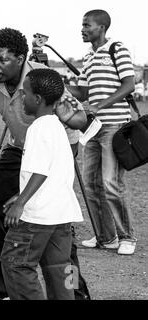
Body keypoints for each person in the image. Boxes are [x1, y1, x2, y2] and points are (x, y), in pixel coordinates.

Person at [0, 28, 90, 300]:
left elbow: (80, 120)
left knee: (55, 225)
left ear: (21, 58)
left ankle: (76, 293)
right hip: (19, 147)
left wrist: (64, 112)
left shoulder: (41, 79)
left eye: (2, 59)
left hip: (54, 148)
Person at [0, 69, 83, 300]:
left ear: (37, 99)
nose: (22, 98)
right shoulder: (58, 127)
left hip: (38, 217)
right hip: (61, 214)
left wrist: (21, 203)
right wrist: (20, 195)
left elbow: (39, 171)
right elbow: (52, 170)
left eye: (24, 93)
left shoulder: (37, 128)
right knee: (63, 268)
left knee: (14, 263)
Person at [67, 10, 137, 255]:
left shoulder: (117, 49)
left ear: (102, 27)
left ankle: (127, 237)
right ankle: (106, 237)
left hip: (114, 126)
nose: (82, 29)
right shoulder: (88, 56)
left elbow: (130, 84)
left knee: (111, 183)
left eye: (87, 25)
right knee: (91, 184)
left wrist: (101, 105)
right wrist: (57, 83)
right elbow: (83, 92)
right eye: (82, 24)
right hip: (93, 128)